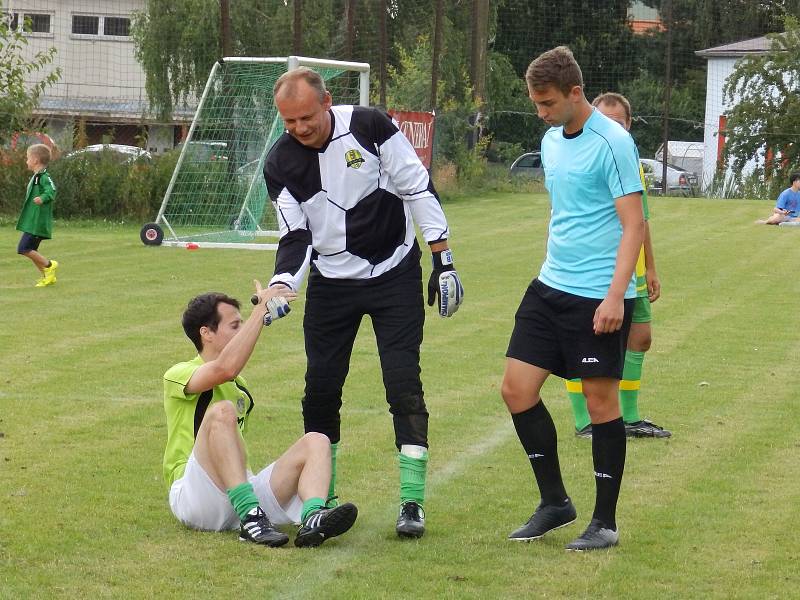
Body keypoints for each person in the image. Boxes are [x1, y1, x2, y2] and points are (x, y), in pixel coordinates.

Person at [263, 67, 464, 539]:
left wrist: (444, 259)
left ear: (327, 100)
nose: (299, 129)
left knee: (402, 382)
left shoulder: (372, 126)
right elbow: (294, 236)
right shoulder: (280, 164)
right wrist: (281, 284)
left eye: (306, 118)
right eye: (289, 122)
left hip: (394, 274)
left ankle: (411, 503)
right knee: (321, 388)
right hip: (333, 286)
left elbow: (416, 185)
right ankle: (320, 504)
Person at [501, 47, 644, 551]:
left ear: (575, 92)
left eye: (547, 102)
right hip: (549, 285)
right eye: (536, 103)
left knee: (600, 402)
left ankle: (604, 523)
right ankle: (555, 502)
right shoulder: (550, 139)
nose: (540, 112)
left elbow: (634, 225)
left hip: (596, 296)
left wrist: (615, 298)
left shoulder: (614, 144)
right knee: (516, 389)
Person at [163, 285, 358, 548]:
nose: (241, 330)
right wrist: (260, 311)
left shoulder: (239, 384)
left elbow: (230, 370)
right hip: (195, 495)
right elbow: (224, 369)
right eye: (234, 325)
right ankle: (252, 517)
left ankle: (312, 517)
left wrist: (260, 313)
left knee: (318, 440)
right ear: (206, 333)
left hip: (239, 488)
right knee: (223, 411)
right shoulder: (179, 373)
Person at [565, 92, 671, 439]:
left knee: (640, 338)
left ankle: (629, 416)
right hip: (596, 272)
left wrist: (650, 268)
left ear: (629, 124)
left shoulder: (629, 160)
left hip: (633, 271)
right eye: (605, 119)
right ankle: (585, 421)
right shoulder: (585, 156)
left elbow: (642, 221)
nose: (612, 127)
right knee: (587, 345)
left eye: (619, 121)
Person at [16, 144, 59, 287]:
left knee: (24, 248)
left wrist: (43, 198)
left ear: (35, 160)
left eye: (27, 158)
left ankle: (49, 265)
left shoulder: (43, 177)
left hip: (37, 222)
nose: (26, 161)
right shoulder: (37, 176)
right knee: (31, 250)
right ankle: (48, 276)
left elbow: (51, 191)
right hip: (32, 221)